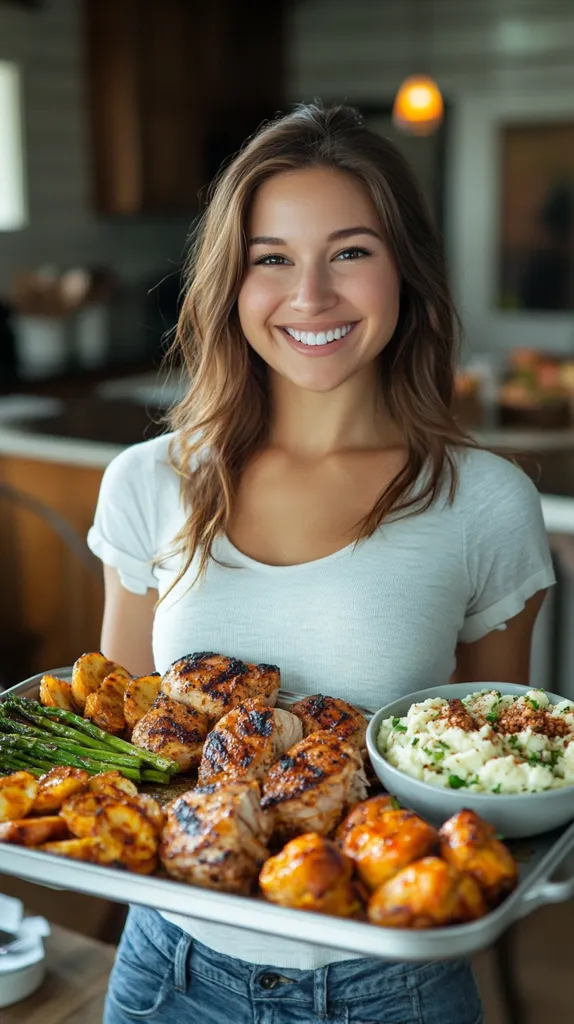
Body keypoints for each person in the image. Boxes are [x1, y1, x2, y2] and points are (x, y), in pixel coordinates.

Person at [88, 102, 555, 1024]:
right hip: (168, 962)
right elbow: (127, 751)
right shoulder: (148, 481)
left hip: (390, 977)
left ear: (406, 271)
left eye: (349, 252)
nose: (310, 297)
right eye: (272, 258)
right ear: (233, 280)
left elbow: (501, 780)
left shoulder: (487, 501)